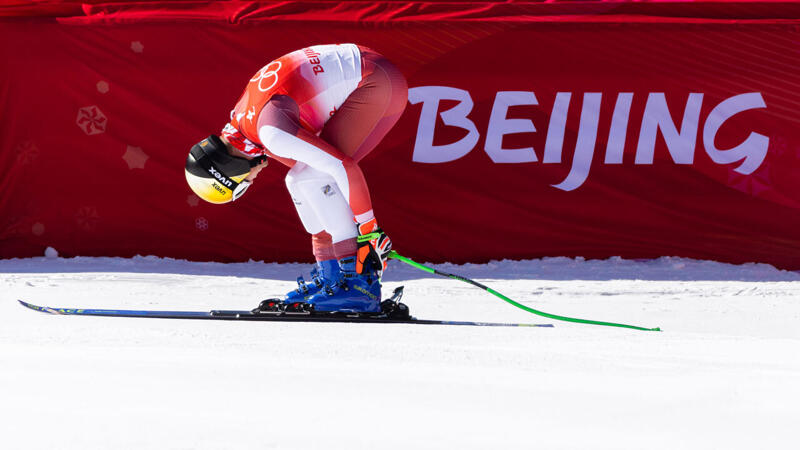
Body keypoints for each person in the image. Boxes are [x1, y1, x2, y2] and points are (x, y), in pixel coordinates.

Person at [184, 43, 408, 314]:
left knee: (312, 176)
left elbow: (343, 168)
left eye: (241, 187)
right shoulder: (243, 124)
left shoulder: (270, 135)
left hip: (376, 80)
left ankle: (359, 284)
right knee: (300, 179)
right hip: (369, 69)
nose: (251, 182)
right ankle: (333, 275)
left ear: (230, 172)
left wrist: (369, 229)